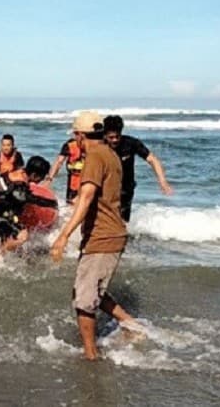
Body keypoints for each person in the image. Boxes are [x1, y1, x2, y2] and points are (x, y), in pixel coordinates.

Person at [50, 111, 143, 361]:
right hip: (108, 233)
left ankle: (91, 356)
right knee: (90, 292)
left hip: (104, 236)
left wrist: (63, 235)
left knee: (83, 300)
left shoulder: (93, 156)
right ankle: (131, 326)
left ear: (79, 136)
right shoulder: (110, 154)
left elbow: (87, 196)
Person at [103, 115, 173, 222]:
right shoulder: (99, 145)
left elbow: (152, 160)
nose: (115, 140)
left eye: (117, 136)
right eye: (111, 137)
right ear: (105, 135)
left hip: (126, 189)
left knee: (123, 221)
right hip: (106, 189)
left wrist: (162, 181)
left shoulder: (131, 143)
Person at [0, 155, 50, 255]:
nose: (42, 180)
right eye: (42, 177)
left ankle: (4, 243)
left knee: (13, 220)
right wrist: (46, 204)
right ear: (34, 175)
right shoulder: (20, 186)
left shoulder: (18, 172)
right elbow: (21, 203)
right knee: (23, 236)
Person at [44, 135, 84, 204]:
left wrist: (49, 180)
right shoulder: (70, 145)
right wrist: (49, 179)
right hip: (78, 180)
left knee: (74, 203)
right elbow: (58, 162)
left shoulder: (70, 145)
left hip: (79, 180)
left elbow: (59, 162)